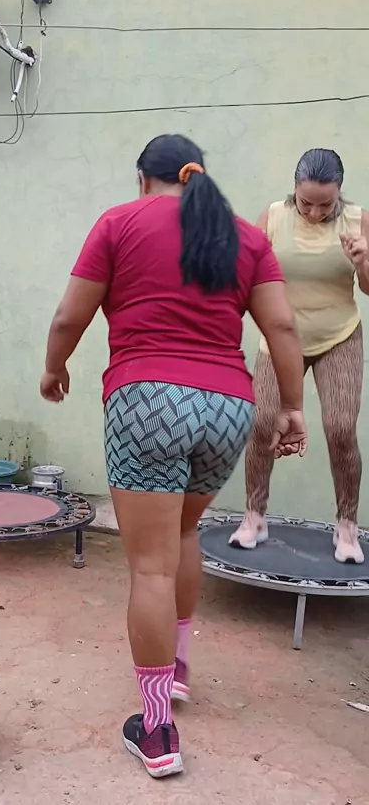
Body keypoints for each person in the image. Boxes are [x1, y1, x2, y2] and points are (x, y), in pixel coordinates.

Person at [40, 134, 307, 779]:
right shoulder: (247, 238)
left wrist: (54, 368)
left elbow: (69, 317)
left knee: (151, 567)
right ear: (198, 178)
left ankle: (157, 730)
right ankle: (177, 665)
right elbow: (281, 327)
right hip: (228, 408)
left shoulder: (119, 223)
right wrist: (294, 407)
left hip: (148, 401)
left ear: (143, 179)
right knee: (185, 532)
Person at [230, 149, 368, 564]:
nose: (314, 212)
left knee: (340, 428)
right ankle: (254, 517)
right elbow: (245, 275)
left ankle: (347, 526)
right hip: (280, 339)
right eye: (306, 202)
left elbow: (368, 288)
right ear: (294, 189)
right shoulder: (274, 217)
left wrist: (363, 262)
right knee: (262, 424)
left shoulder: (358, 220)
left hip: (338, 337)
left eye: (325, 204)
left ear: (339, 192)